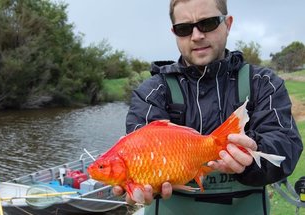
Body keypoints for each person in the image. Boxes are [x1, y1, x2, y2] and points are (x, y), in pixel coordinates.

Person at [114, 0, 303, 214]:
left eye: (208, 23)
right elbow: (140, 151)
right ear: (174, 33)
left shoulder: (262, 82)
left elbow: (286, 145)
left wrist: (254, 155)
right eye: (184, 28)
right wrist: (141, 187)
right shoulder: (152, 92)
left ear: (228, 24)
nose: (196, 35)